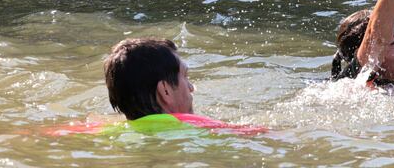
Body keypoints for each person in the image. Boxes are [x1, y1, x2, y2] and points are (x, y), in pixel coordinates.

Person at [88, 37, 266, 136]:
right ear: (165, 90)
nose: (191, 87)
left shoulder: (108, 129)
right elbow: (268, 135)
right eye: (185, 77)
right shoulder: (197, 125)